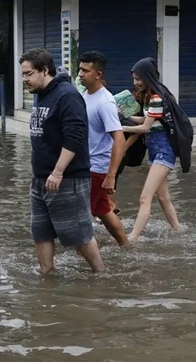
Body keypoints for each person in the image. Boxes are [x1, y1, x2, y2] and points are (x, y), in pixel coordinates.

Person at [19, 48, 104, 274]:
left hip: (67, 179)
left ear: (44, 70)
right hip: (40, 179)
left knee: (79, 235)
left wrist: (57, 172)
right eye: (23, 75)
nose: (24, 80)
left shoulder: (67, 96)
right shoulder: (39, 93)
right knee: (41, 232)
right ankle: (47, 275)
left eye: (28, 74)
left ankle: (102, 274)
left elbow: (75, 137)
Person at [119, 58, 181, 241]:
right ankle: (179, 230)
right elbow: (147, 121)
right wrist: (124, 116)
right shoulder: (153, 96)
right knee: (162, 197)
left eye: (139, 79)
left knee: (145, 197)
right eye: (134, 79)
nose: (136, 83)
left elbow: (145, 128)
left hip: (163, 151)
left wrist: (121, 128)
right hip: (156, 151)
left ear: (148, 77)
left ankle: (133, 237)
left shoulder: (156, 98)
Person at [77, 51, 129, 246]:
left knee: (79, 215)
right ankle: (126, 245)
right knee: (102, 210)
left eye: (85, 70)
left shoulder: (105, 102)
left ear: (98, 74)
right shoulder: (85, 95)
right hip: (86, 164)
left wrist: (111, 176)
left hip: (96, 168)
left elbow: (119, 139)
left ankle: (87, 258)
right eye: (80, 69)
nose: (80, 74)